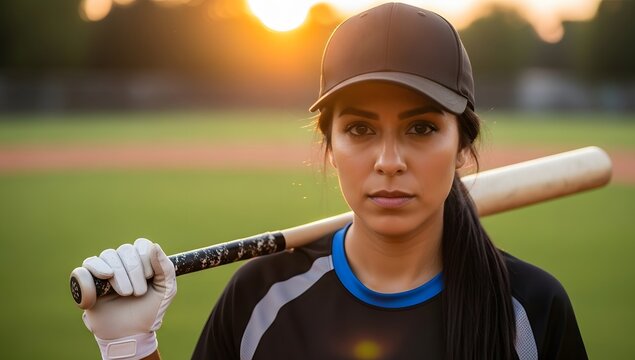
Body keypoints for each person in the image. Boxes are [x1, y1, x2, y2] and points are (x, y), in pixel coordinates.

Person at [79, 3, 588, 359]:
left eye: (421, 128)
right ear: (329, 146)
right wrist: (130, 347)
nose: (389, 161)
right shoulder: (260, 299)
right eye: (361, 129)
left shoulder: (531, 310)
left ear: (462, 146)